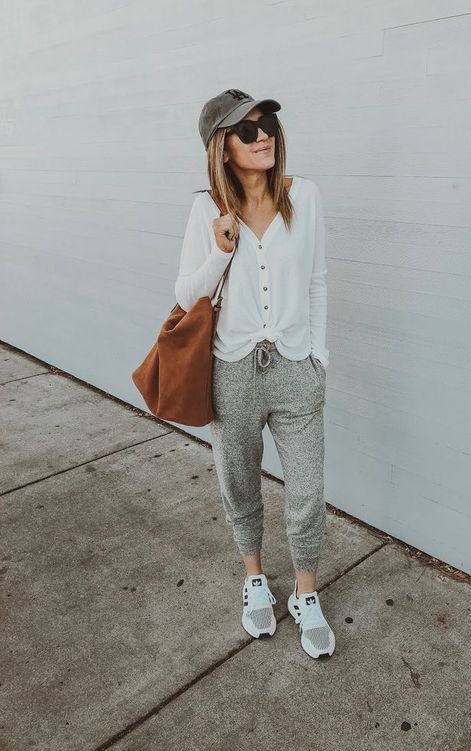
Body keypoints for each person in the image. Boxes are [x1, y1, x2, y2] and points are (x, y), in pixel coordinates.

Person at [174, 89, 334, 659]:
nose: (262, 135)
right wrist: (220, 251)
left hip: (295, 368)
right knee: (239, 484)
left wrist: (318, 359)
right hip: (233, 372)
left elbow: (317, 282)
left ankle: (306, 593)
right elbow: (186, 295)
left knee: (308, 491)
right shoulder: (206, 211)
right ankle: (255, 579)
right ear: (222, 146)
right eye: (246, 130)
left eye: (267, 125)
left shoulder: (304, 196)